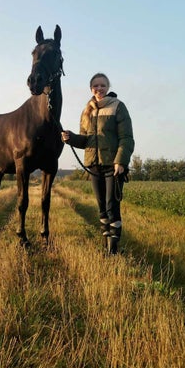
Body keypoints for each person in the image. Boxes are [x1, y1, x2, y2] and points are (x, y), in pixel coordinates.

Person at [61, 73, 134, 254]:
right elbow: (86, 141)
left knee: (111, 206)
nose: (99, 89)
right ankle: (106, 244)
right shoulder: (87, 111)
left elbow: (127, 138)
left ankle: (114, 249)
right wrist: (71, 138)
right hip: (94, 166)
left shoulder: (118, 106)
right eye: (95, 86)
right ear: (91, 88)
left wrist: (120, 161)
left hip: (113, 166)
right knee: (102, 206)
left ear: (108, 87)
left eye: (102, 85)